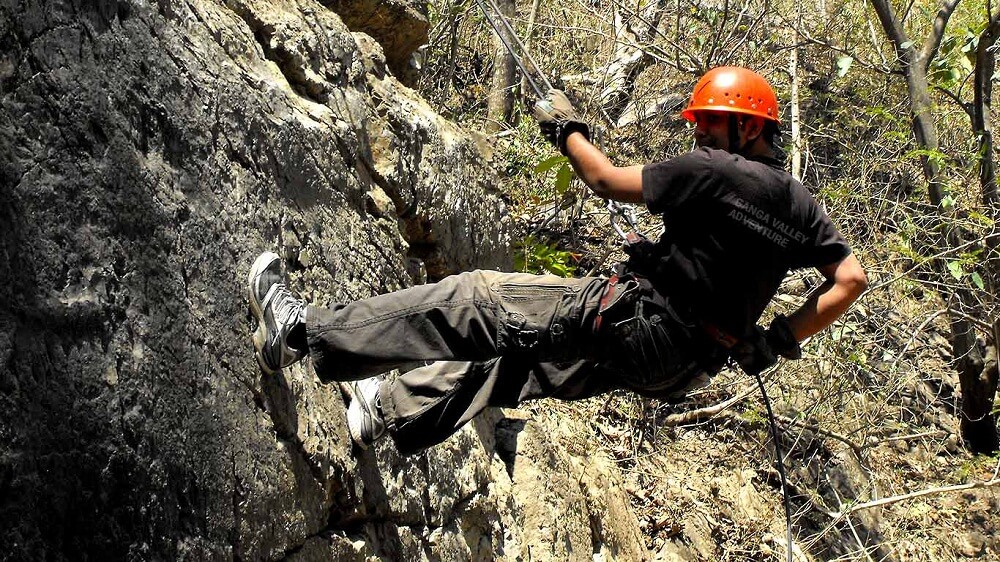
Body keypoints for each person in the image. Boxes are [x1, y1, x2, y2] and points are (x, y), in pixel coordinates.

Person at [246, 66, 868, 455]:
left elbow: (603, 179)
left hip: (640, 319)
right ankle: (385, 414)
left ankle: (299, 332)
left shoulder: (714, 170)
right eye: (701, 125)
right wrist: (783, 335)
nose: (700, 135)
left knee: (476, 302)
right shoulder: (799, 205)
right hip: (681, 367)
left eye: (713, 124)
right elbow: (851, 278)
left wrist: (566, 128)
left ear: (747, 129)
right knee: (515, 357)